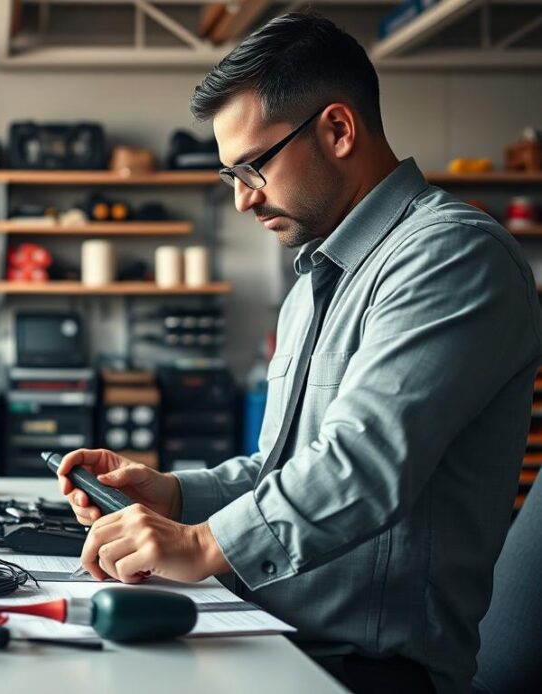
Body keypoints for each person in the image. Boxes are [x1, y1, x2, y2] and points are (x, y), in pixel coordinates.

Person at [57, 13, 542, 694]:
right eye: (230, 173)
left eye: (253, 166)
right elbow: (282, 468)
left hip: (364, 673)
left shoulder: (451, 255)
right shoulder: (316, 280)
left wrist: (199, 545)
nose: (241, 198)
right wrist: (175, 494)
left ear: (338, 130)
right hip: (272, 634)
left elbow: (362, 466)